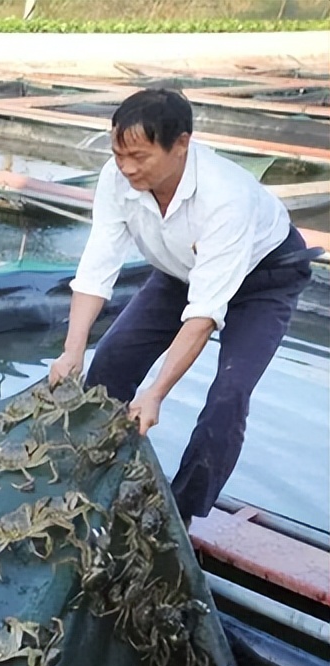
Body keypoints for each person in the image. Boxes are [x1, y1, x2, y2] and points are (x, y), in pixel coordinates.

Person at [49, 88, 320, 525]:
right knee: (110, 360)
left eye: (139, 156)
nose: (127, 167)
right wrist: (72, 350)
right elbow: (98, 266)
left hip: (264, 278)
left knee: (229, 395)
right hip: (180, 271)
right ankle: (90, 475)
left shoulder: (225, 194)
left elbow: (204, 313)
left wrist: (155, 393)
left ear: (181, 145)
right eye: (119, 154)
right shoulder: (117, 179)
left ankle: (180, 515)